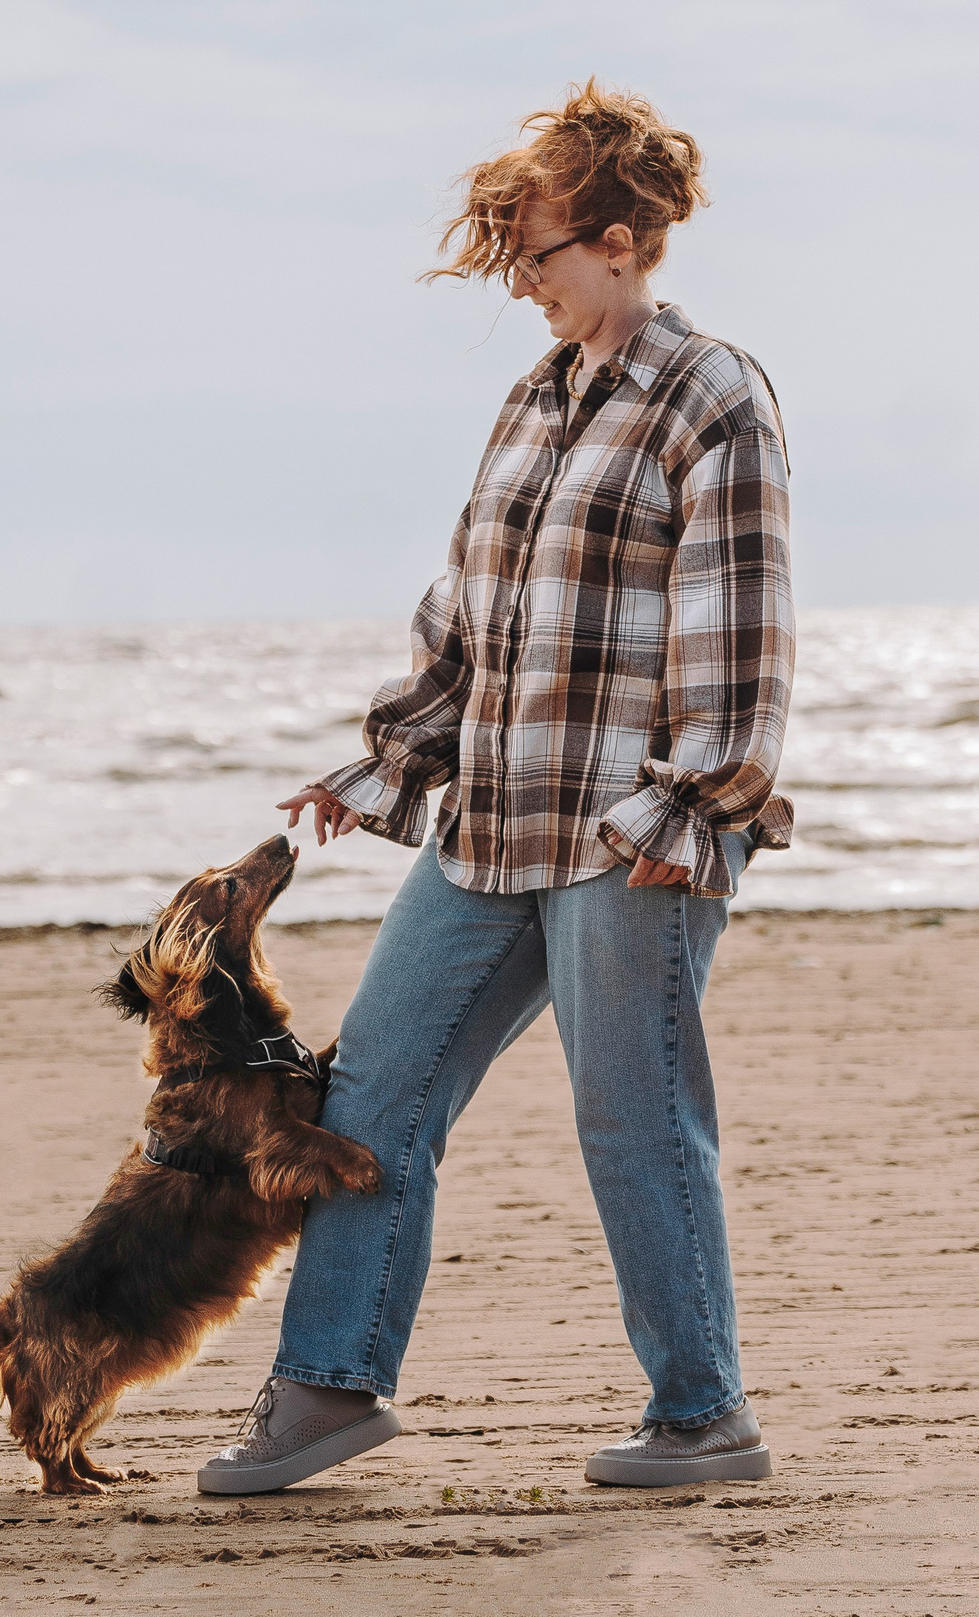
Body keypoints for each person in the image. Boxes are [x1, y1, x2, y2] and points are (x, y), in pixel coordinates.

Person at [196, 80, 796, 1496]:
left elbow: (743, 628)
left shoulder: (709, 394)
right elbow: (473, 610)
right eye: (516, 256)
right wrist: (393, 759)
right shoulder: (533, 397)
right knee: (367, 1098)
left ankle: (703, 1415)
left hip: (625, 831)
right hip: (489, 824)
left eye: (539, 253)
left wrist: (693, 807)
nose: (523, 282)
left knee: (632, 1116)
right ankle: (329, 1386)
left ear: (628, 236)